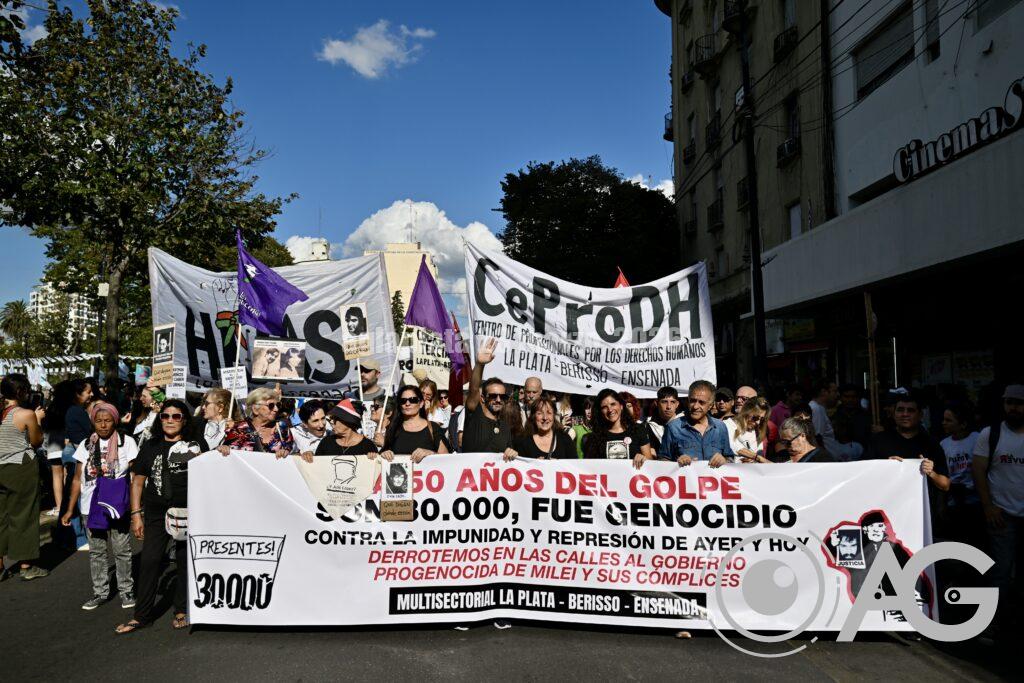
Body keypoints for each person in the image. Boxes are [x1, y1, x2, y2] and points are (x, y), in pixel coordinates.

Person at [116, 399, 208, 634]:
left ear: (184, 420)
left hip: (190, 511)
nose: (170, 420)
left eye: (176, 416)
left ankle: (182, 610)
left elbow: (213, 473)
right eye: (165, 416)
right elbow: (137, 482)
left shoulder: (197, 445)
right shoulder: (151, 445)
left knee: (184, 561)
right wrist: (136, 514)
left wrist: (224, 451)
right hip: (156, 512)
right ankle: (141, 616)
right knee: (150, 561)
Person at [61, 401, 138, 609]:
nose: (103, 425)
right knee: (96, 551)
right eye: (98, 421)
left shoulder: (126, 442)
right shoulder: (86, 444)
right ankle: (100, 592)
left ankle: (126, 590)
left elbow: (134, 478)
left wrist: (135, 509)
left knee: (122, 549)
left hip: (117, 506)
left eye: (108, 421)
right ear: (93, 422)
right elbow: (77, 479)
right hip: (90, 506)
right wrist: (70, 509)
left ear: (115, 421)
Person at [971, 384, 1024, 637]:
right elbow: (978, 471)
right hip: (1002, 516)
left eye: (1019, 403)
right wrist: (989, 507)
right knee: (1000, 572)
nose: (1013, 408)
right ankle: (994, 624)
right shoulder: (990, 434)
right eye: (1009, 402)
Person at [0, 373, 48, 580]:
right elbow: (36, 441)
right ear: (20, 391)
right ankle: (26, 566)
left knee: (1, 516)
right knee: (25, 514)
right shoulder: (25, 414)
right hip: (20, 466)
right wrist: (38, 420)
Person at [658, 380, 734, 468]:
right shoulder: (673, 428)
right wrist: (677, 463)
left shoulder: (720, 427)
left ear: (710, 405)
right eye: (692, 401)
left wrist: (724, 460)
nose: (695, 406)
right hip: (685, 477)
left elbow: (730, 458)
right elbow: (662, 461)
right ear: (688, 401)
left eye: (701, 402)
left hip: (713, 477)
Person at [461, 338, 516, 459]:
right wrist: (480, 364)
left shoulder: (505, 427)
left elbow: (509, 456)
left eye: (502, 396)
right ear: (482, 398)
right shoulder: (474, 416)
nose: (498, 400)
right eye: (493, 396)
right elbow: (474, 388)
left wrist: (512, 454)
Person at [582, 389, 654, 469]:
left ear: (621, 406)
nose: (610, 410)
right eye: (604, 407)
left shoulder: (638, 429)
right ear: (600, 411)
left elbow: (650, 465)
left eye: (613, 404)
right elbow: (589, 469)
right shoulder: (594, 437)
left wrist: (644, 459)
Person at [377, 385, 449, 463]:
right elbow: (381, 457)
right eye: (403, 400)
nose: (407, 403)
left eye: (413, 400)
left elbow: (447, 459)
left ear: (421, 403)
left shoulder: (433, 428)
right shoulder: (392, 428)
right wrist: (385, 454)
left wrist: (430, 453)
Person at [219, 387, 294, 457]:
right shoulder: (238, 429)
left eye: (278, 405)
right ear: (255, 409)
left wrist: (285, 452)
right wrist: (224, 448)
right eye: (271, 406)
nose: (276, 409)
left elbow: (292, 451)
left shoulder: (282, 428)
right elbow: (224, 452)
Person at [40, 380, 76, 518]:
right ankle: (69, 506)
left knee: (56, 475)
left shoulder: (52, 408)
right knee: (68, 474)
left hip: (54, 442)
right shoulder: (73, 408)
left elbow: (46, 427)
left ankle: (59, 507)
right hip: (68, 442)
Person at [809, 379, 863, 461]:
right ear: (823, 392)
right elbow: (817, 437)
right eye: (834, 391)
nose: (837, 395)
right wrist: (824, 459)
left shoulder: (819, 408)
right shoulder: (816, 409)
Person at [512, 396, 575, 460]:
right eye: (540, 413)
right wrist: (534, 464)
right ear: (533, 416)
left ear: (554, 416)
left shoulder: (564, 439)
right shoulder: (523, 442)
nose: (545, 418)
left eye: (549, 413)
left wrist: (558, 464)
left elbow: (575, 464)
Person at [724, 396, 770, 463]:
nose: (758, 422)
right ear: (746, 412)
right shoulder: (728, 424)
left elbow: (759, 453)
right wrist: (757, 458)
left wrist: (754, 460)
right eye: (755, 417)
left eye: (762, 419)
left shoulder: (758, 431)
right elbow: (735, 447)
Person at [834, 383, 872, 449]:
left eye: (853, 397)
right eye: (846, 397)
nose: (850, 400)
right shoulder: (834, 415)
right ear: (841, 398)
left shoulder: (866, 416)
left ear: (858, 398)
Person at [647, 386, 681, 452]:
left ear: (677, 404)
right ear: (656, 403)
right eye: (664, 402)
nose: (668, 407)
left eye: (672, 402)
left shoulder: (686, 422)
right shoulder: (649, 426)